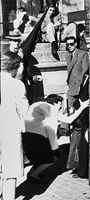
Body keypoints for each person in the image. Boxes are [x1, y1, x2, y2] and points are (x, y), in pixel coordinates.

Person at [22, 94, 89, 183]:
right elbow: (51, 129)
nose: (62, 108)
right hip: (36, 137)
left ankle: (34, 172)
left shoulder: (39, 105)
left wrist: (81, 107)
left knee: (40, 157)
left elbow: (68, 119)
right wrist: (55, 149)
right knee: (51, 159)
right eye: (61, 105)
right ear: (57, 102)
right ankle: (33, 175)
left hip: (26, 135)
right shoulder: (51, 108)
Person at [0, 51, 29, 200]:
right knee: (10, 170)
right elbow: (23, 110)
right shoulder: (17, 85)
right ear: (15, 67)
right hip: (10, 130)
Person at [65, 36, 89, 108]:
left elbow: (85, 71)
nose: (69, 46)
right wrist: (67, 83)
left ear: (75, 44)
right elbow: (69, 71)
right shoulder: (68, 55)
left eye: (71, 44)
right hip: (71, 86)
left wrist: (81, 86)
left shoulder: (82, 53)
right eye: (67, 45)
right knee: (69, 108)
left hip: (80, 86)